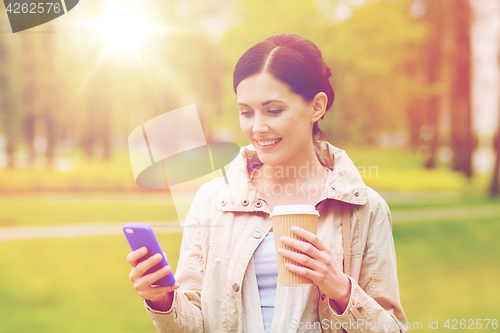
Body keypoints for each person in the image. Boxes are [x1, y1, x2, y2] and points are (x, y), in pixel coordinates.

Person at [126, 34, 408, 332]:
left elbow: (392, 328)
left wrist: (339, 287)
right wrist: (163, 300)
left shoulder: (364, 209)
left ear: (317, 107)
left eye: (273, 110)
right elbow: (193, 325)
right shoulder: (212, 200)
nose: (257, 127)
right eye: (246, 112)